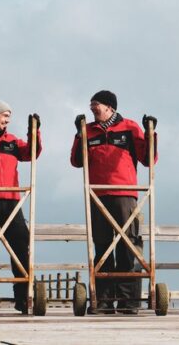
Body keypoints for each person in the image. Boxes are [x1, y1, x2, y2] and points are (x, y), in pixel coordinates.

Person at [70, 90, 157, 315]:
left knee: (128, 245)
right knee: (102, 245)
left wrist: (150, 134)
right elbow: (77, 161)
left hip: (125, 193)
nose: (91, 108)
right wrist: (79, 135)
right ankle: (104, 302)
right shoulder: (88, 130)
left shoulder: (129, 127)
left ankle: (129, 302)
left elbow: (148, 159)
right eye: (90, 104)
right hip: (98, 194)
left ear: (109, 107)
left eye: (95, 104)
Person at [0, 98, 42, 315]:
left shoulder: (12, 142)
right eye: (4, 115)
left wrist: (34, 131)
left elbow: (31, 153)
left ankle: (23, 297)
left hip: (11, 201)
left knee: (20, 244)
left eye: (9, 116)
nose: (7, 119)